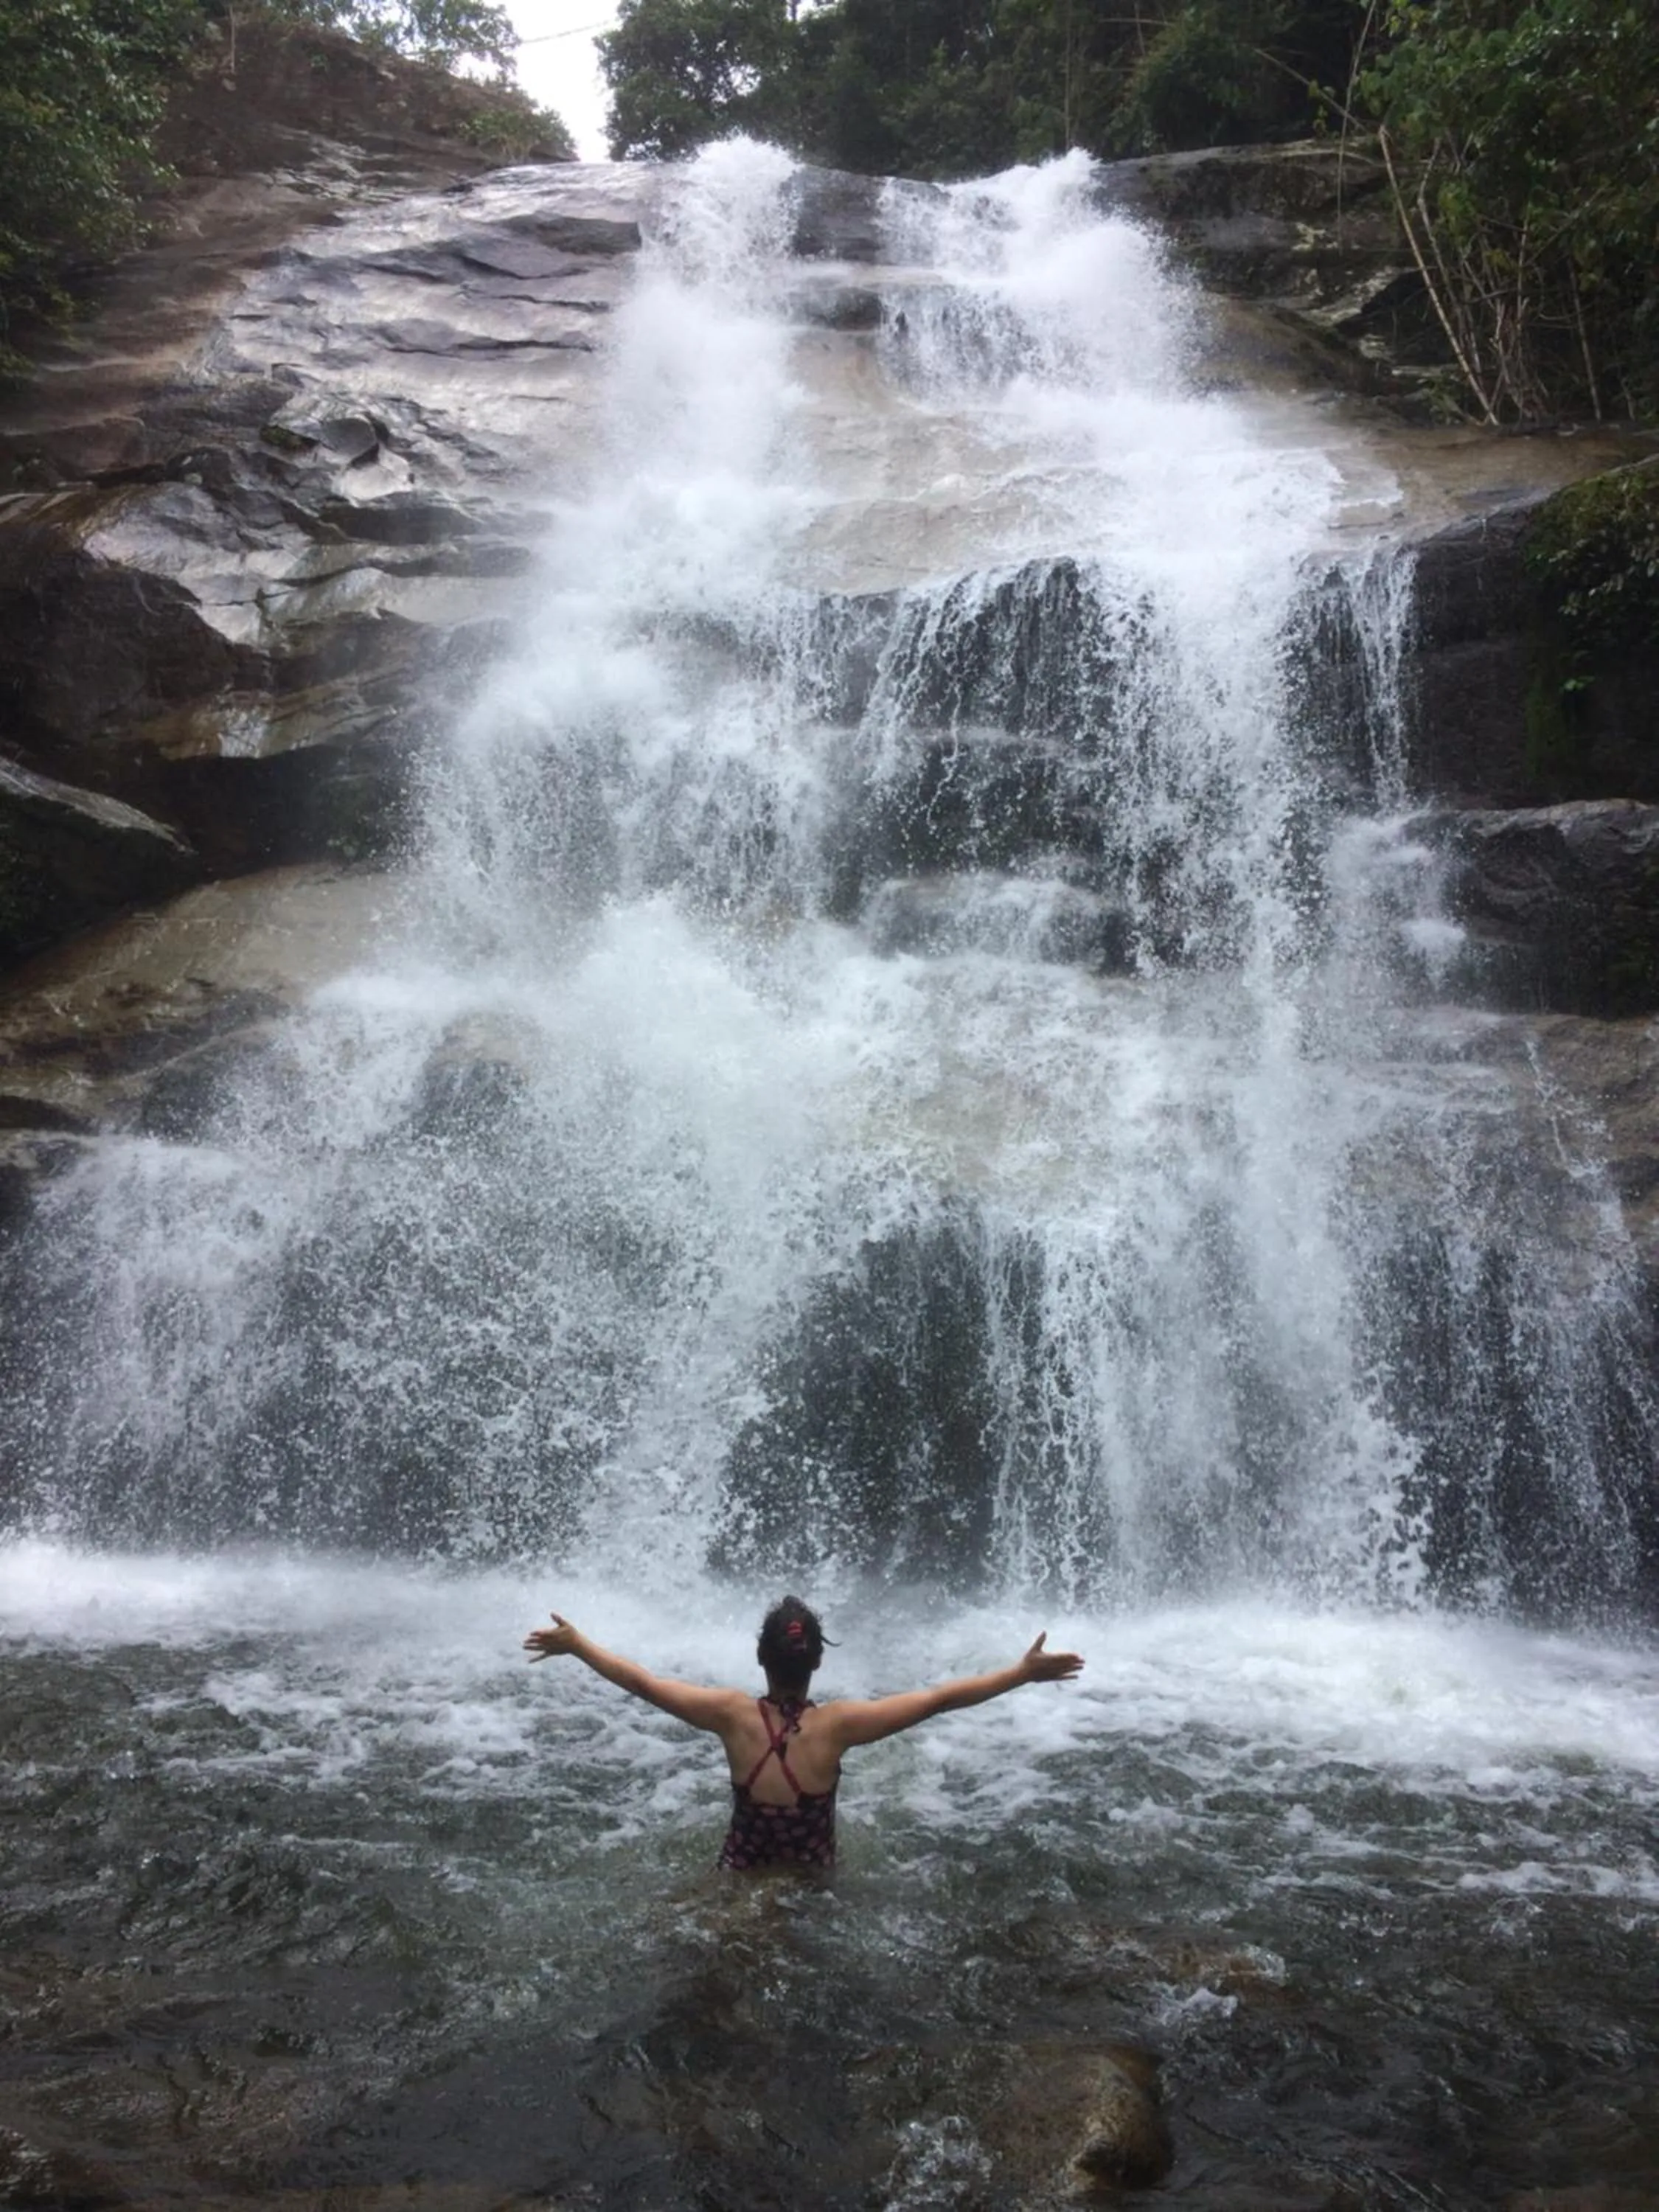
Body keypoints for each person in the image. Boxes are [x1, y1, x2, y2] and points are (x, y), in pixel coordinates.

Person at [522, 1593, 1084, 1872]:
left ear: (760, 1657)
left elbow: (643, 1683)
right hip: (812, 1891)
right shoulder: (838, 1727)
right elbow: (940, 1700)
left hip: (737, 1880)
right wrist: (1021, 1674)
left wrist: (578, 1646)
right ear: (817, 1663)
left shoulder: (732, 1716)